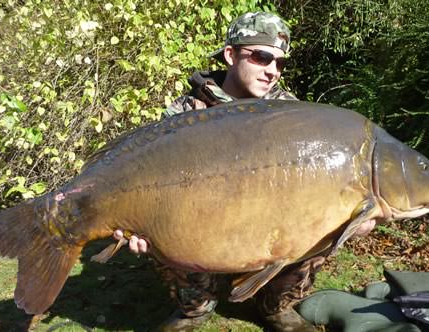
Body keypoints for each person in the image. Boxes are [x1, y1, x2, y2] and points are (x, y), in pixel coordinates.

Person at [113, 11, 376, 332]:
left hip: (265, 222)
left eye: (280, 63)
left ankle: (275, 307)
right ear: (230, 55)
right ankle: (195, 307)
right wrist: (130, 224)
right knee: (164, 223)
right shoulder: (185, 112)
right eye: (262, 57)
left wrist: (350, 217)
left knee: (317, 226)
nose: (272, 71)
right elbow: (145, 179)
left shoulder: (292, 114)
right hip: (202, 224)